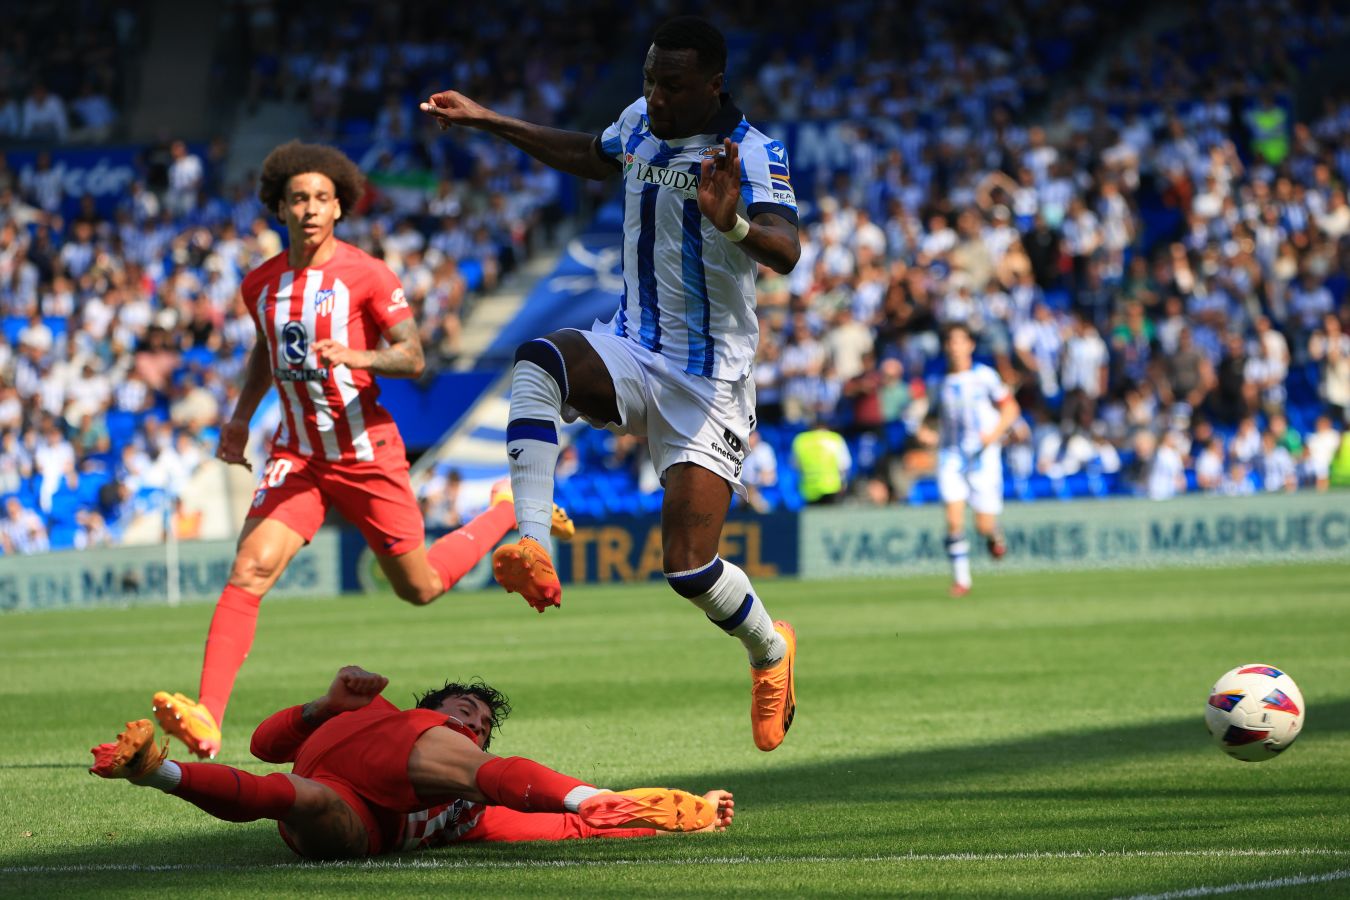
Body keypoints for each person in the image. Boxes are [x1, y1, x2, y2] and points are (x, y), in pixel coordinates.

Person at [420, 16, 799, 751]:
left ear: (713, 84)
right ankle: (532, 544)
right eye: (650, 79)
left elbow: (787, 250)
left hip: (709, 380)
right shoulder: (637, 122)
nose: (655, 96)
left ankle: (771, 653)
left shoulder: (752, 154)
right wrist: (487, 120)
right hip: (631, 345)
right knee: (539, 361)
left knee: (688, 570)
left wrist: (735, 226)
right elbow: (593, 157)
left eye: (673, 85)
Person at [153, 142, 575, 761]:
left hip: (365, 450)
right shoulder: (260, 285)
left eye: (323, 198)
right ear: (279, 207)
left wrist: (358, 355)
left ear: (340, 207)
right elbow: (266, 351)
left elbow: (414, 356)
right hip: (297, 454)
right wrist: (240, 420)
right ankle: (208, 718)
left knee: (420, 587)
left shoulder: (368, 274)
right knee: (248, 572)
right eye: (299, 198)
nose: (311, 209)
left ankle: (504, 510)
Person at [92, 666, 733, 859]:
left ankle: (158, 773)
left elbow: (564, 830)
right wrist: (323, 706)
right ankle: (584, 790)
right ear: (431, 708)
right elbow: (263, 742)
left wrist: (688, 817)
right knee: (283, 783)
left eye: (480, 728)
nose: (472, 724)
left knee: (295, 798)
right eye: (464, 712)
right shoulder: (381, 709)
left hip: (361, 821)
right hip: (365, 749)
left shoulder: (467, 813)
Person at [935, 322, 1021, 598]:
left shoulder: (985, 376)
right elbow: (938, 421)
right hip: (952, 456)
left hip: (983, 458)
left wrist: (993, 435)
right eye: (951, 341)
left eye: (960, 341)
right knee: (953, 520)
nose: (955, 347)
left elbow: (1011, 408)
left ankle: (994, 534)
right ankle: (962, 581)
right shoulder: (942, 382)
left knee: (982, 525)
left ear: (970, 345)